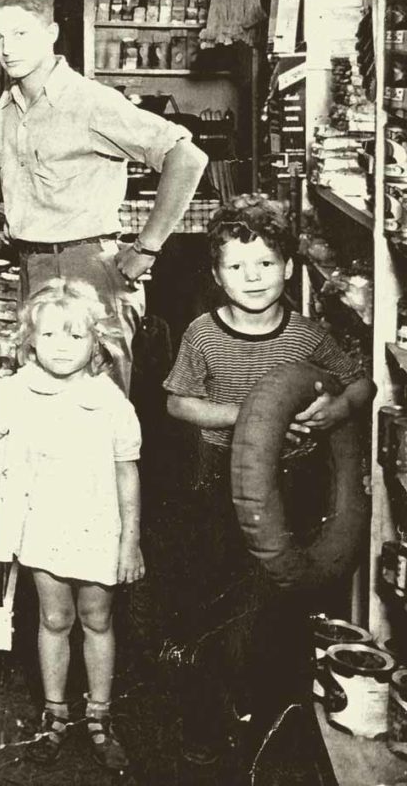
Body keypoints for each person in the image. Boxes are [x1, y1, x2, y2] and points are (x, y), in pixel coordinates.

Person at [0, 0, 209, 391]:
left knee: (97, 415)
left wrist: (147, 248)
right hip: (33, 267)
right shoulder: (8, 104)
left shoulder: (90, 101)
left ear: (50, 33)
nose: (6, 48)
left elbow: (188, 158)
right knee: (43, 408)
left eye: (20, 34)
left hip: (89, 272)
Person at [163, 196, 371, 765]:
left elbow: (359, 383)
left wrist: (338, 410)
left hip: (293, 480)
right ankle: (207, 713)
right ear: (216, 274)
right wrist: (252, 414)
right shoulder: (203, 334)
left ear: (288, 268)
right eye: (235, 266)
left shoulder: (308, 336)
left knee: (278, 593)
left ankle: (271, 705)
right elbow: (179, 404)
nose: (251, 278)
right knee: (216, 593)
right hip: (219, 481)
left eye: (264, 264)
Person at [0, 278, 144, 769]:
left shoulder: (110, 403)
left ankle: (100, 717)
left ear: (95, 342)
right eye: (49, 336)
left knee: (97, 620)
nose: (61, 348)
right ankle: (56, 714)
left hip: (99, 527)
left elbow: (128, 475)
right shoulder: (16, 392)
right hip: (44, 526)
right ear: (30, 340)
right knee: (54, 619)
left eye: (75, 337)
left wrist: (132, 542)